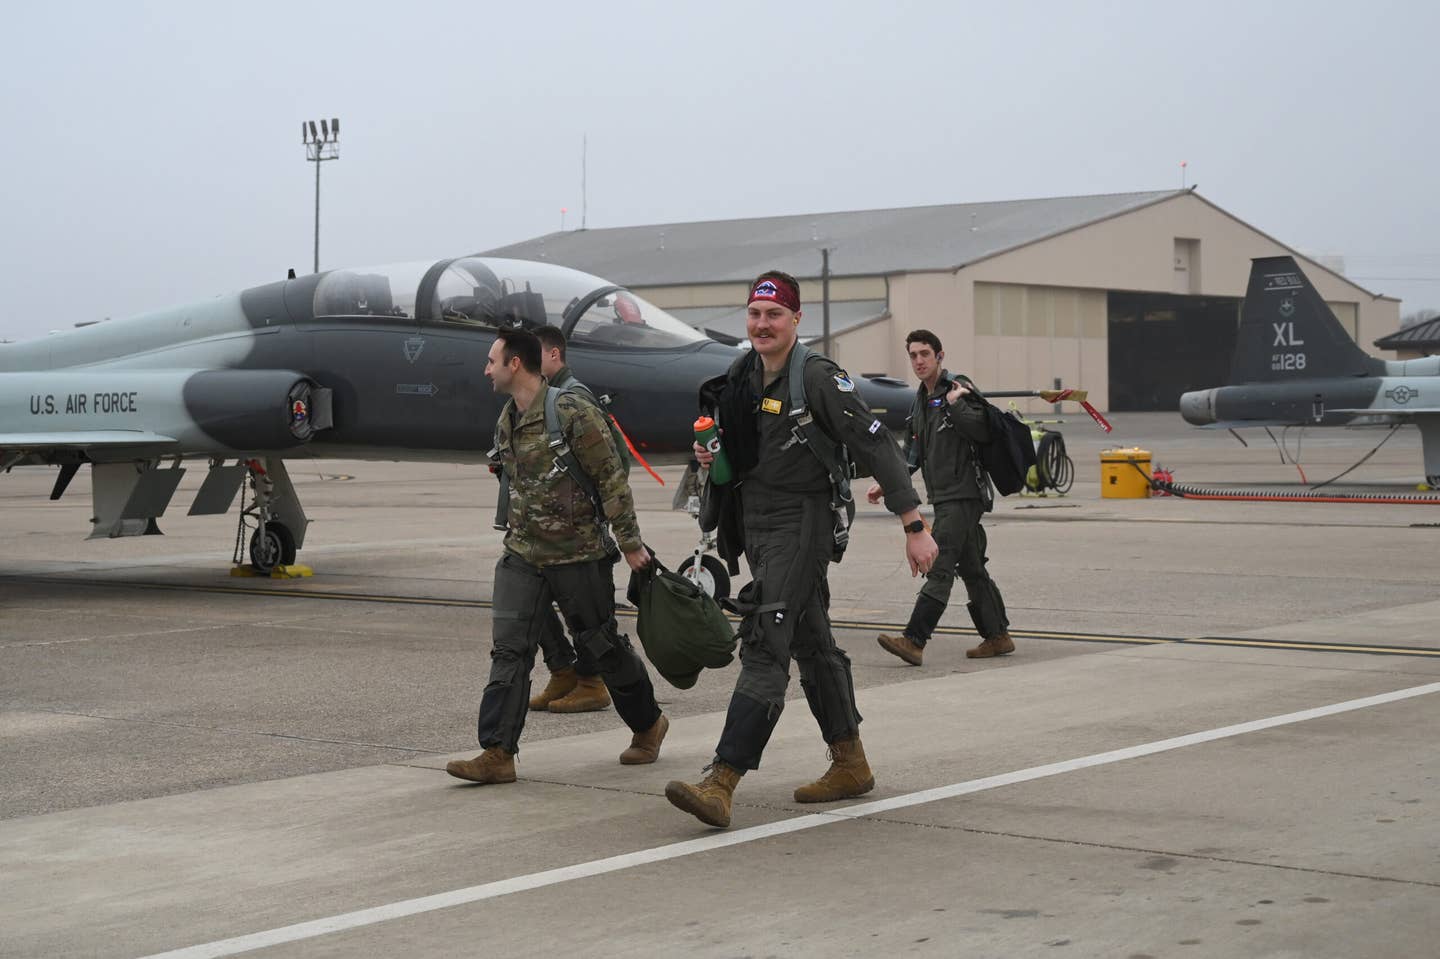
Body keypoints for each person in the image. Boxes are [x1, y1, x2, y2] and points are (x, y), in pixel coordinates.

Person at [665, 271, 938, 828]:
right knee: (812, 645)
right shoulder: (742, 373)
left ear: (795, 320)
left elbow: (875, 442)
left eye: (774, 315)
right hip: (757, 524)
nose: (762, 324)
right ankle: (851, 763)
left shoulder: (817, 378)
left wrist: (914, 523)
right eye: (754, 314)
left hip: (802, 522)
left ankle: (723, 779)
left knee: (765, 640)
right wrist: (708, 458)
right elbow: (733, 448)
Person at [446, 327, 667, 785]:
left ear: (514, 364)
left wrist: (630, 545)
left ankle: (648, 724)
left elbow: (611, 476)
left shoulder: (571, 411)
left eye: (492, 360)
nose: (486, 369)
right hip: (523, 553)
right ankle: (497, 752)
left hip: (578, 554)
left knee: (600, 645)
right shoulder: (507, 417)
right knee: (510, 649)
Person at [873, 329, 1013, 666]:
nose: (919, 360)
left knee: (940, 565)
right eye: (913, 355)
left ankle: (914, 640)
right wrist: (889, 482)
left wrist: (958, 407)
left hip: (964, 494)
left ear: (940, 356)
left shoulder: (957, 389)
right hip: (945, 496)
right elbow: (913, 453)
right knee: (973, 569)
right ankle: (997, 635)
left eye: (925, 354)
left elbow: (982, 430)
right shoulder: (919, 400)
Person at [516, 324, 613, 714]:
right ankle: (562, 673)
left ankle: (592, 682)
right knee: (531, 604)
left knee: (585, 613)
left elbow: (609, 464)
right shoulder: (538, 401)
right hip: (542, 527)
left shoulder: (573, 399)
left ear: (554, 355)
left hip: (576, 530)